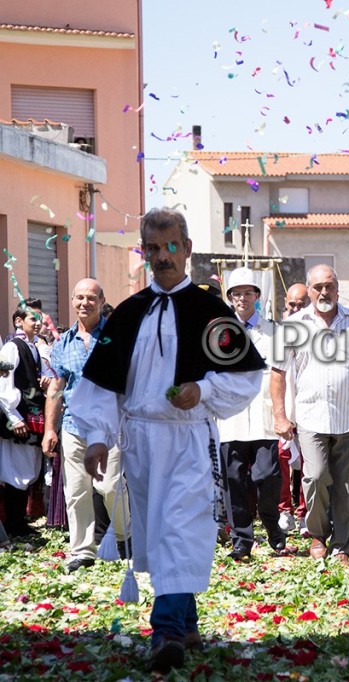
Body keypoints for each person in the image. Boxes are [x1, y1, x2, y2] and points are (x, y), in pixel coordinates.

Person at [71, 207, 265, 673]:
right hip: (140, 442)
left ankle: (166, 633)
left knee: (181, 526)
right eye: (153, 248)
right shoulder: (129, 313)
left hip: (188, 438)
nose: (162, 257)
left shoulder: (210, 311)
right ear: (144, 252)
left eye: (170, 246)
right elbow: (99, 385)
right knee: (159, 532)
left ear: (188, 249)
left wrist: (205, 390)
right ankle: (189, 621)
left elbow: (247, 376)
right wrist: (96, 437)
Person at [270, 265, 349, 563]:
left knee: (345, 485)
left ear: (337, 288)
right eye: (318, 287)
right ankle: (318, 535)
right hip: (310, 416)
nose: (324, 292)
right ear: (309, 289)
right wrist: (280, 416)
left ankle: (342, 545)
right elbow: (278, 373)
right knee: (315, 476)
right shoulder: (293, 325)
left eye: (329, 286)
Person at [43, 279, 130, 572]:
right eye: (79, 297)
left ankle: (125, 537)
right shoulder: (63, 343)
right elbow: (56, 387)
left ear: (102, 301)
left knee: (111, 486)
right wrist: (50, 429)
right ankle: (82, 551)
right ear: (72, 301)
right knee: (77, 490)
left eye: (91, 298)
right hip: (73, 426)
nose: (84, 303)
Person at [217, 268, 291, 561]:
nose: (242, 299)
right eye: (237, 294)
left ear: (257, 297)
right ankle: (242, 539)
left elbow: (281, 375)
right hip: (230, 417)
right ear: (230, 298)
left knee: (266, 476)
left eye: (248, 293)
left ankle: (271, 523)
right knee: (234, 480)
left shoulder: (274, 331)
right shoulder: (219, 333)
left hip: (263, 416)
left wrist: (283, 414)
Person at [0, 307, 47, 538]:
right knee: (15, 470)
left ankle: (19, 522)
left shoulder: (34, 347)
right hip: (17, 418)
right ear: (19, 321)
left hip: (31, 417)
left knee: (29, 467)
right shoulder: (11, 348)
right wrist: (13, 417)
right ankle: (13, 525)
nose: (37, 323)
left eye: (40, 319)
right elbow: (4, 385)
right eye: (33, 318)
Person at [277, 283, 310, 535]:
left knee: (309, 465)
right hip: (284, 407)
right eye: (292, 304)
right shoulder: (277, 332)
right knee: (284, 460)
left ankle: (304, 513)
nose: (296, 309)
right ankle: (284, 510)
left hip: (309, 408)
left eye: (302, 304)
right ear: (285, 304)